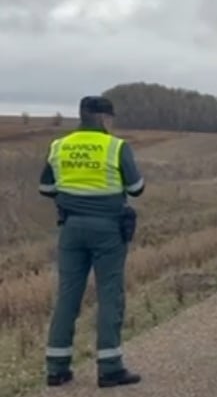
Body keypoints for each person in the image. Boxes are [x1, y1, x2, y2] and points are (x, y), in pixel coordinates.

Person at [40, 96, 144, 388]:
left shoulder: (59, 146)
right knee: (110, 294)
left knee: (67, 296)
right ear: (103, 118)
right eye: (111, 118)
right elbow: (137, 187)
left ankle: (57, 368)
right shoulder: (116, 146)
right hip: (108, 230)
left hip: (71, 228)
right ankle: (110, 368)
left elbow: (45, 187)